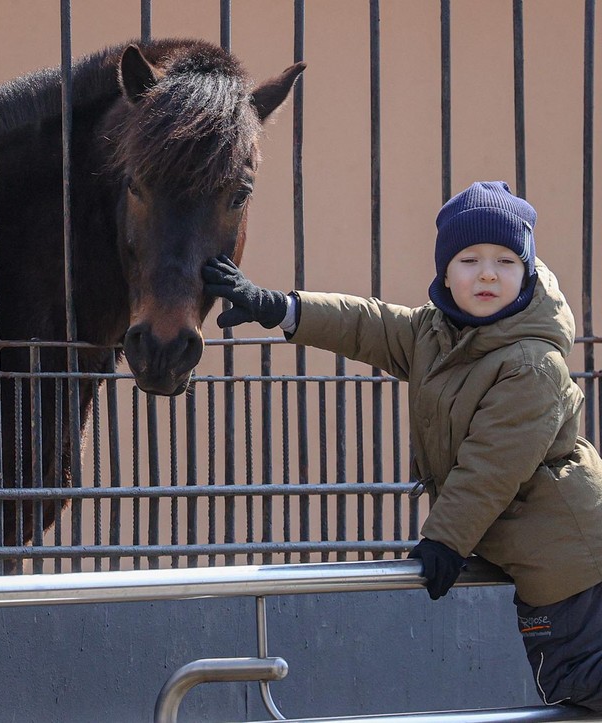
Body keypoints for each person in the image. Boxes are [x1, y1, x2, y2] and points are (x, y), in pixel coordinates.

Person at [202, 181, 602, 710]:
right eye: (470, 258)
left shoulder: (530, 361)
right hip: (540, 553)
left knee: (580, 690)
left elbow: (492, 466)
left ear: (527, 271)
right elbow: (365, 324)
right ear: (444, 272)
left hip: (573, 562)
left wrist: (444, 542)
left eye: (506, 260)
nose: (487, 273)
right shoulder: (437, 332)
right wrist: (279, 308)